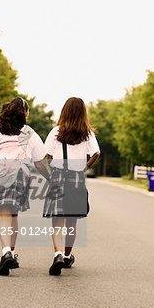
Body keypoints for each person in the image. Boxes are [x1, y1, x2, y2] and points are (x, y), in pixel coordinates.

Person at [0, 97, 50, 276]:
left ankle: (6, 253)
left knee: (3, 214)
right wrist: (50, 179)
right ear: (25, 113)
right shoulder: (29, 133)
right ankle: (11, 251)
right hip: (20, 172)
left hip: (0, 172)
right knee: (13, 213)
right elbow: (39, 162)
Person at [43, 97, 100, 275]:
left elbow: (46, 154)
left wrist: (54, 165)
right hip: (77, 178)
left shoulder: (56, 132)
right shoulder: (87, 133)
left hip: (59, 177)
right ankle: (67, 256)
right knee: (72, 222)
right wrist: (85, 167)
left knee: (57, 221)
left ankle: (58, 253)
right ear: (83, 113)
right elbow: (96, 153)